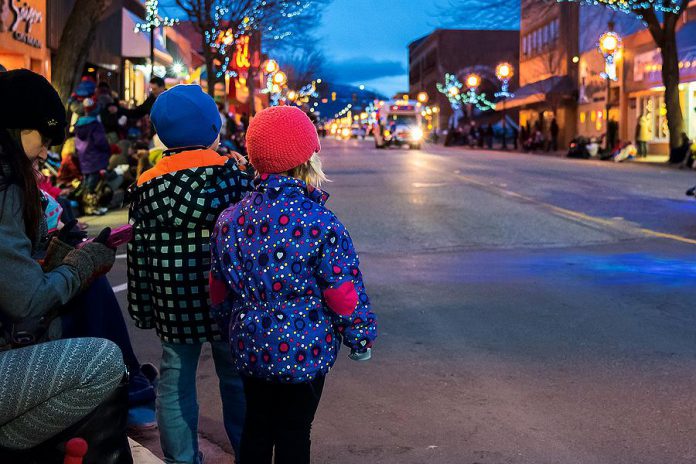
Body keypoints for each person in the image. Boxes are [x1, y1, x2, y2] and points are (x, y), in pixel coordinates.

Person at [210, 106, 378, 464]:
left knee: (256, 424)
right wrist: (359, 336)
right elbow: (341, 289)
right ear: (308, 158)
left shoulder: (230, 219)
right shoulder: (319, 221)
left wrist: (228, 325)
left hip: (251, 342)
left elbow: (219, 288)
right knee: (295, 429)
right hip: (305, 344)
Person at [0, 69, 129, 462]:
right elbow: (25, 301)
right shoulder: (5, 187)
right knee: (104, 363)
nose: (45, 153)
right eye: (44, 138)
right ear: (17, 127)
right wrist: (79, 263)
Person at [127, 84, 250, 464]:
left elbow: (138, 252)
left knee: (175, 379)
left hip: (172, 299)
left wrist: (143, 309)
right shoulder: (234, 179)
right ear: (214, 129)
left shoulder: (147, 188)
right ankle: (249, 451)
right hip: (224, 296)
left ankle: (181, 458)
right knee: (236, 378)